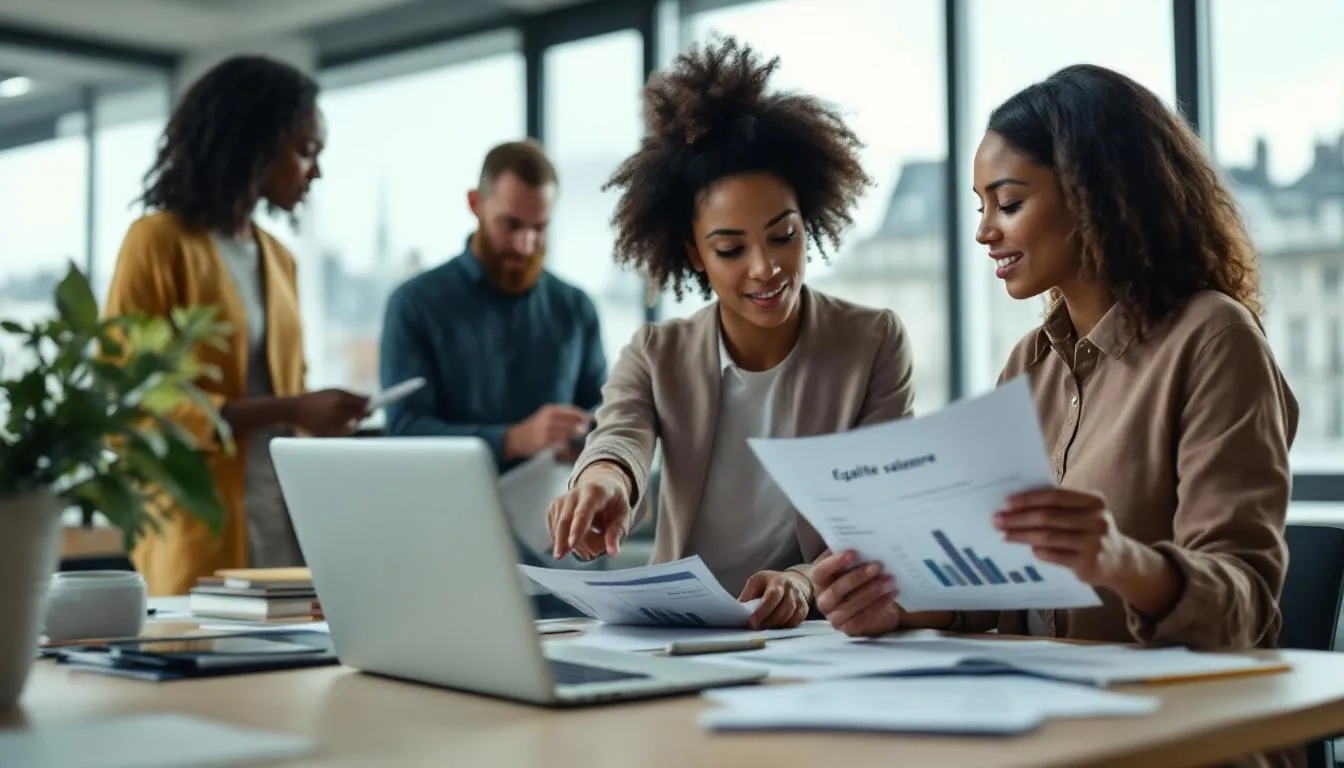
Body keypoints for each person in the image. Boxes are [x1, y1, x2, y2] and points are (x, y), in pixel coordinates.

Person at [813, 64, 1299, 653]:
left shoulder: (1214, 337)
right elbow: (995, 580)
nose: (984, 232)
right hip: (1039, 695)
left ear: (1095, 194)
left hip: (1167, 705)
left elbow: (1245, 605)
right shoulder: (1028, 364)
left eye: (1008, 203)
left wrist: (1121, 561)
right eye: (980, 207)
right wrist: (894, 602)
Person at [544, 35, 916, 631]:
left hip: (813, 635)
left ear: (808, 221)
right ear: (695, 253)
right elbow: (619, 437)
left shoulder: (872, 342)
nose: (764, 267)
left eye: (783, 236)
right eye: (730, 248)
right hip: (677, 629)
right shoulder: (655, 352)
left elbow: (880, 515)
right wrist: (602, 480)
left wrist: (803, 581)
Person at [104, 55, 370, 596]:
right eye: (305, 151)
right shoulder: (157, 242)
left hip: (284, 516)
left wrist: (317, 419)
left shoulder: (279, 258)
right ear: (254, 142)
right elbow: (132, 400)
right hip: (197, 522)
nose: (315, 171)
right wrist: (290, 408)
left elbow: (287, 387)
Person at [379, 140, 605, 471]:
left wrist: (590, 436)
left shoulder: (576, 307)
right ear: (475, 204)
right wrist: (512, 440)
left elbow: (602, 412)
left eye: (539, 228)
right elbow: (406, 428)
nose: (525, 245)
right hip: (447, 498)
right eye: (511, 225)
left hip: (558, 499)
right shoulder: (414, 305)